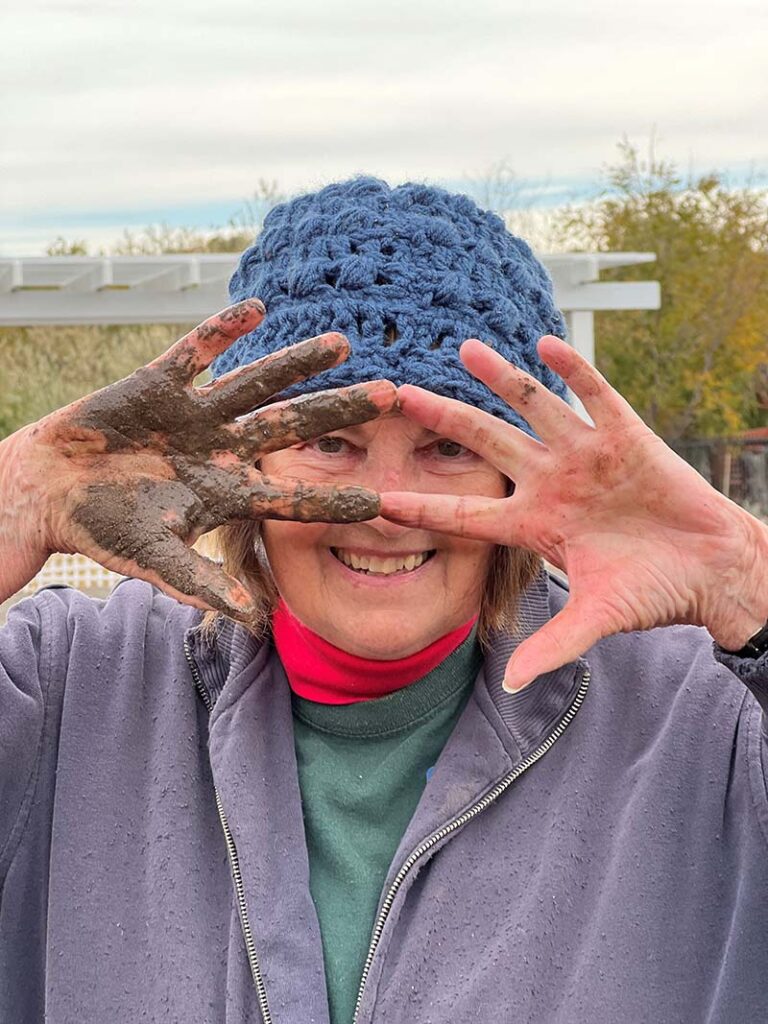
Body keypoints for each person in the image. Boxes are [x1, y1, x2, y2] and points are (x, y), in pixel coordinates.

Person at [1, 176, 767, 1024]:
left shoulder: (707, 722)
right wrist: (11, 504)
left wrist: (747, 579)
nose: (386, 504)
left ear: (519, 473)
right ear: (244, 460)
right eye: (331, 440)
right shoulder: (65, 690)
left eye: (446, 446)